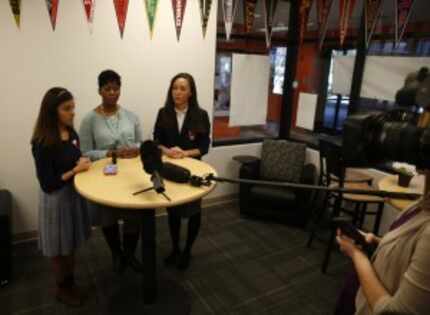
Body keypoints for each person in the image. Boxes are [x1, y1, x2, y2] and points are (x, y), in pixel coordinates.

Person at [335, 171, 430, 315]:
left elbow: (394, 312)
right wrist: (379, 243)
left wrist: (356, 254)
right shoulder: (422, 204)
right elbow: (411, 252)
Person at [31, 87, 92, 306]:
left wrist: (81, 162)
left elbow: (74, 157)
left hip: (72, 196)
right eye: (67, 109)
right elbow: (47, 183)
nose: (72, 112)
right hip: (55, 200)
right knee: (58, 249)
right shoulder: (42, 142)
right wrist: (75, 171)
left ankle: (70, 282)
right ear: (51, 111)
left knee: (71, 243)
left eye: (73, 108)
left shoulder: (71, 133)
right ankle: (62, 288)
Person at [79, 70, 143, 274]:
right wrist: (109, 152)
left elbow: (141, 143)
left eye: (116, 88)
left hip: (131, 175)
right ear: (99, 91)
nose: (113, 93)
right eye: (108, 89)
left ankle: (130, 254)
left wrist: (136, 148)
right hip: (104, 176)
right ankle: (117, 253)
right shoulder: (89, 120)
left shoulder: (131, 116)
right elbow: (84, 152)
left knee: (134, 214)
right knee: (108, 216)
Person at [154, 73, 211, 270]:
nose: (177, 92)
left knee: (194, 212)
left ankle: (187, 250)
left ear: (190, 92)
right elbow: (157, 142)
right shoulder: (163, 113)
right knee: (174, 211)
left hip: (194, 170)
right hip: (170, 170)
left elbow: (204, 146)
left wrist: (184, 153)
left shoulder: (200, 114)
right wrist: (168, 151)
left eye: (182, 88)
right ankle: (175, 248)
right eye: (174, 88)